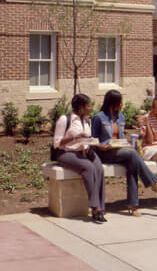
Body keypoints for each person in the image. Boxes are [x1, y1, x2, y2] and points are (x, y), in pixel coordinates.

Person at [92, 90, 157, 216]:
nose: (122, 105)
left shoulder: (121, 117)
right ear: (112, 103)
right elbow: (93, 140)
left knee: (132, 164)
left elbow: (120, 137)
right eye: (120, 102)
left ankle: (133, 206)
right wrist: (101, 146)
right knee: (133, 155)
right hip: (104, 153)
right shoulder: (99, 117)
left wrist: (127, 141)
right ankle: (154, 184)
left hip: (120, 151)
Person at [53, 93, 107, 223]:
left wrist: (92, 144)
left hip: (85, 151)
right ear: (81, 107)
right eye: (89, 105)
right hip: (67, 153)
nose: (91, 108)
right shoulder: (65, 120)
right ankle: (95, 207)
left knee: (99, 168)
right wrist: (75, 137)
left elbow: (87, 138)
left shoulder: (88, 120)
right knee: (88, 167)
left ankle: (101, 206)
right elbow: (56, 143)